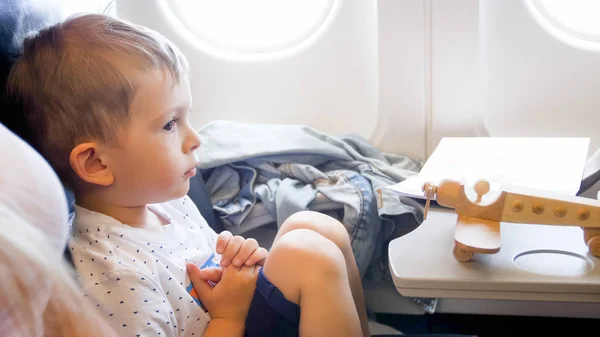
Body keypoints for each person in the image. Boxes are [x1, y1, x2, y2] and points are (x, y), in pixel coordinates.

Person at [7, 13, 371, 337]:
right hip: (228, 324)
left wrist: (236, 261)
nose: (195, 139)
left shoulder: (167, 203)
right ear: (96, 164)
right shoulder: (116, 277)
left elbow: (208, 273)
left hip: (233, 314)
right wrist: (230, 316)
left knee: (317, 228)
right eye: (169, 124)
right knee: (309, 258)